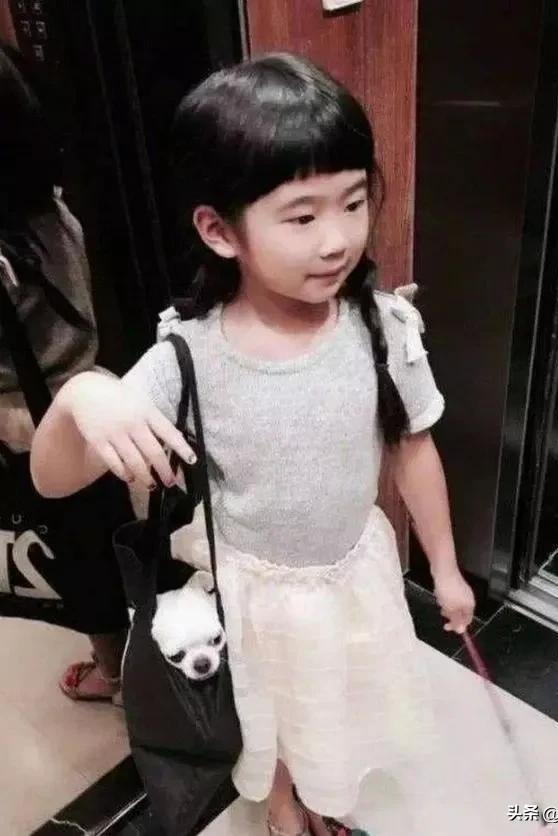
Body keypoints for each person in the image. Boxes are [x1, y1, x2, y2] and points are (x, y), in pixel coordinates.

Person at [30, 53, 476, 836]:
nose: (338, 239)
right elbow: (54, 481)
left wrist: (443, 567)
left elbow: (413, 448)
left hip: (353, 572)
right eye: (302, 217)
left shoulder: (382, 326)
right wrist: (78, 397)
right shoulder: (189, 355)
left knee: (333, 697)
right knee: (267, 705)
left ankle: (322, 790)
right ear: (219, 230)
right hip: (252, 595)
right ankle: (280, 795)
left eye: (353, 202)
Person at [0, 43, 130, 702]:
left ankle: (117, 676)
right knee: (102, 543)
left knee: (76, 554)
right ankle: (127, 660)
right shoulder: (51, 208)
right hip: (86, 396)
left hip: (28, 418)